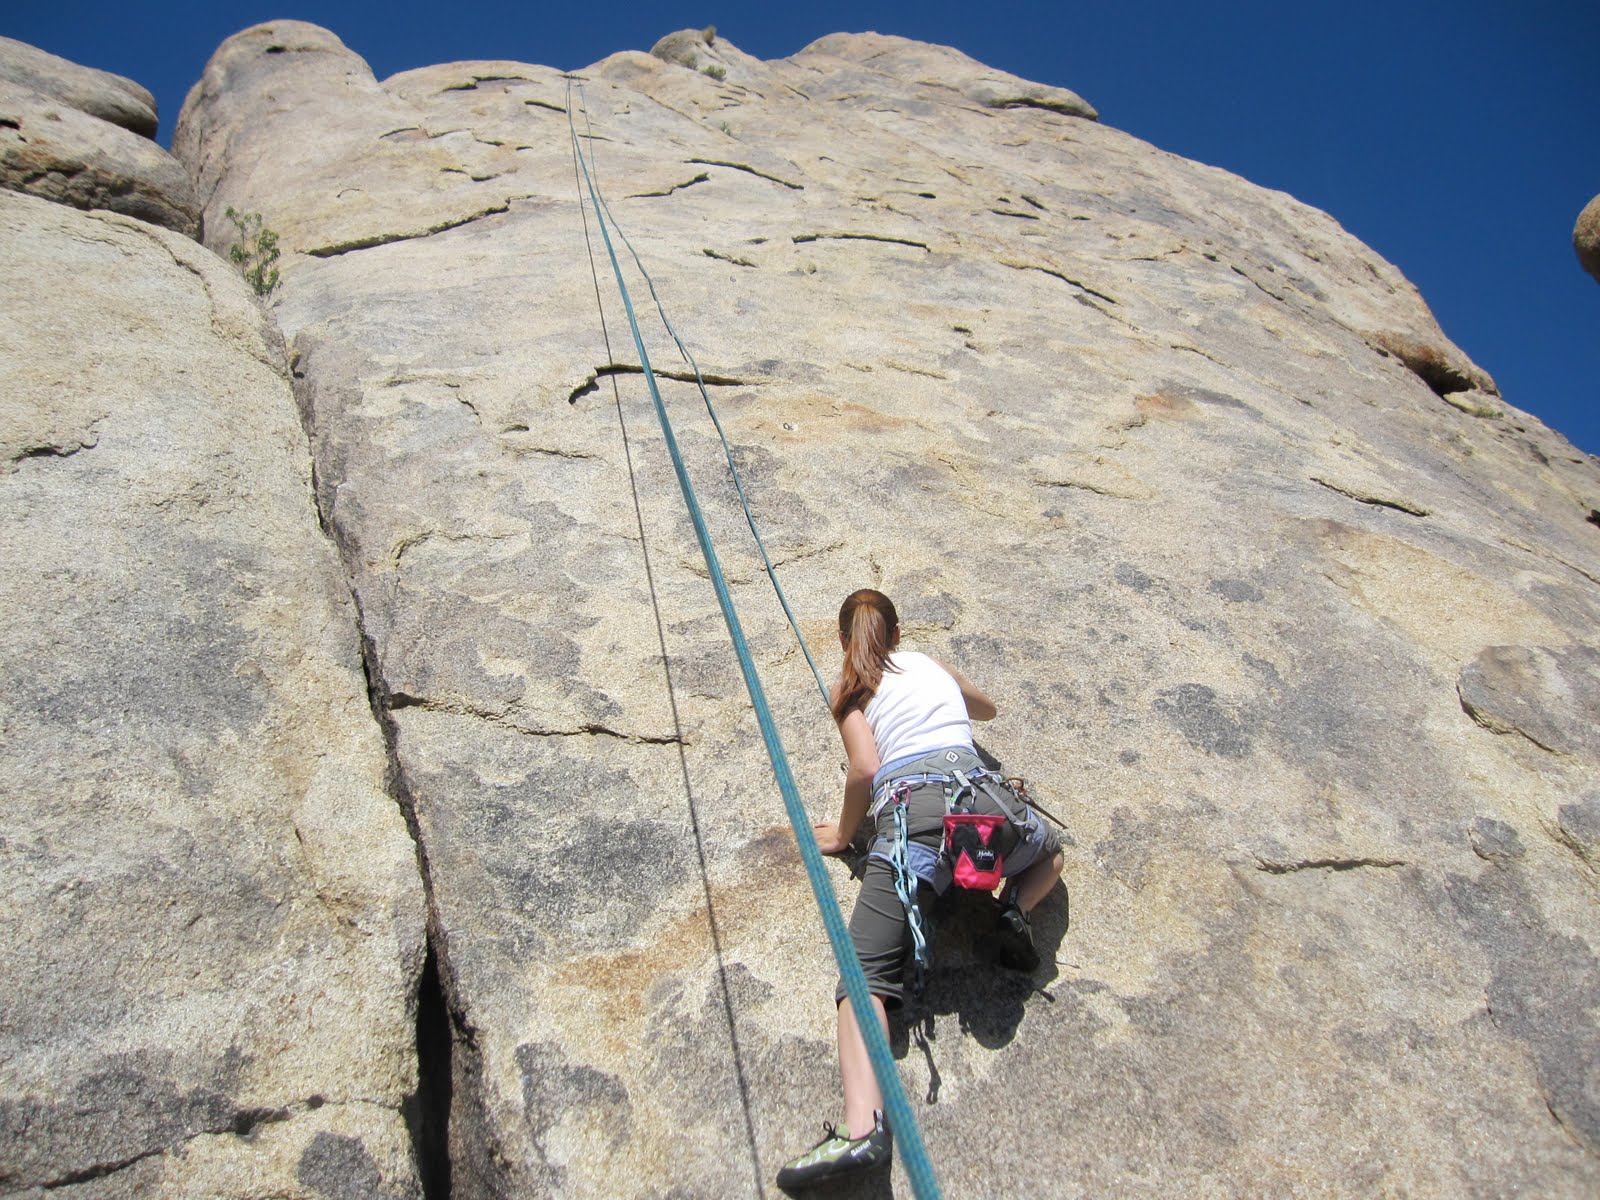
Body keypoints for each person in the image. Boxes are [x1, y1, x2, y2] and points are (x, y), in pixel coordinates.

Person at [776, 589, 1065, 1191]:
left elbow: (864, 767)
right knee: (1050, 855)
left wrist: (845, 836)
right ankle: (1013, 906)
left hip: (916, 820)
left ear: (840, 640)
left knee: (863, 979)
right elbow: (986, 709)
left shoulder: (850, 688)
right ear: (899, 631)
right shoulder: (928, 662)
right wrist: (950, 689)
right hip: (982, 805)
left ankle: (863, 1133)